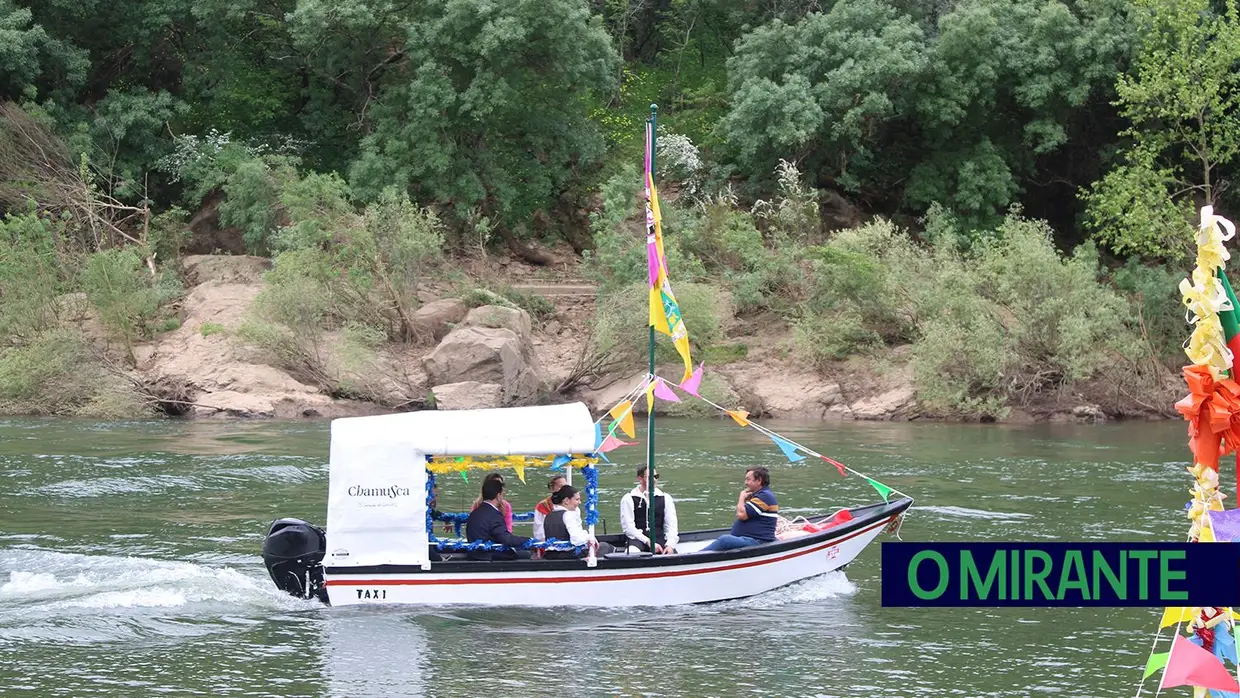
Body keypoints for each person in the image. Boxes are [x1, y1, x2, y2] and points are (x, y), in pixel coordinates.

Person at [698, 467, 778, 552]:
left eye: (748, 479)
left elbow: (741, 515)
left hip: (758, 541)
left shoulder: (764, 496)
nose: (745, 483)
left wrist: (741, 497)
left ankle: (695, 557)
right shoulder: (759, 495)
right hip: (750, 538)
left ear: (759, 480)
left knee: (725, 540)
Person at [465, 478, 532, 561]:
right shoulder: (494, 515)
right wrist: (528, 540)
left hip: (474, 554)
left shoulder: (475, 512)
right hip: (489, 556)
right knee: (527, 554)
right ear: (498, 495)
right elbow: (505, 539)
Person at [542, 485, 615, 559]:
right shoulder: (568, 515)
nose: (579, 502)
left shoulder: (548, 515)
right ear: (567, 500)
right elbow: (577, 540)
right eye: (577, 499)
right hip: (568, 555)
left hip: (549, 555)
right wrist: (589, 537)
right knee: (605, 546)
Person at [619, 466, 679, 554]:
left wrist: (670, 545)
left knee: (671, 555)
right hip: (637, 539)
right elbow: (628, 528)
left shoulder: (665, 498)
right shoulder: (628, 498)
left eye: (656, 476)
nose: (654, 480)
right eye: (650, 477)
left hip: (659, 538)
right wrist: (648, 541)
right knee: (632, 552)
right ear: (640, 478)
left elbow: (671, 525)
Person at [533, 474, 567, 541]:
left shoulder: (572, 504)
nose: (564, 489)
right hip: (548, 542)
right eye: (560, 486)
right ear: (552, 488)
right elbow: (539, 530)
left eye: (566, 487)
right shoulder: (542, 506)